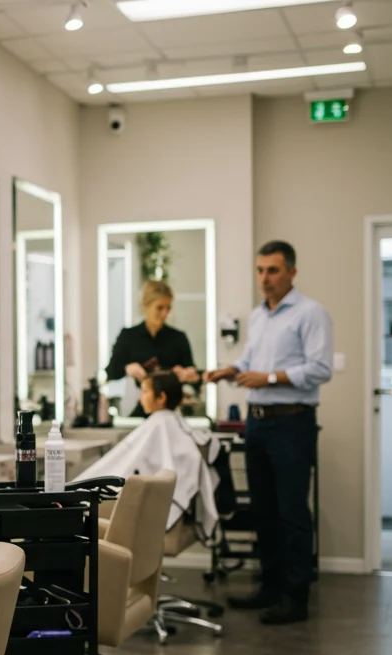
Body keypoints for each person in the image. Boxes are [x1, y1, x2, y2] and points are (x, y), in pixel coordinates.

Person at [205, 240, 333, 625]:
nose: (265, 278)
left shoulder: (311, 314)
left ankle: (296, 598)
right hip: (257, 421)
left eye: (273, 270)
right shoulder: (258, 316)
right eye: (260, 270)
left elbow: (320, 368)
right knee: (264, 509)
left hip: (292, 422)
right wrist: (230, 369)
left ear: (291, 272)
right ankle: (270, 588)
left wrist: (270, 377)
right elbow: (250, 361)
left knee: (293, 511)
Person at [76, 371, 220, 536]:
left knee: (75, 494)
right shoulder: (168, 423)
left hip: (127, 500)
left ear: (161, 397)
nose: (140, 398)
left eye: (144, 392)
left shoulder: (160, 425)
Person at [105, 280, 199, 417]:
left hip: (171, 409)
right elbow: (111, 372)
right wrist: (127, 368)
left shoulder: (178, 338)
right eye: (160, 308)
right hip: (140, 408)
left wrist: (189, 374)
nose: (165, 313)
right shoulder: (129, 337)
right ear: (145, 306)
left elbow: (193, 373)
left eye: (168, 308)